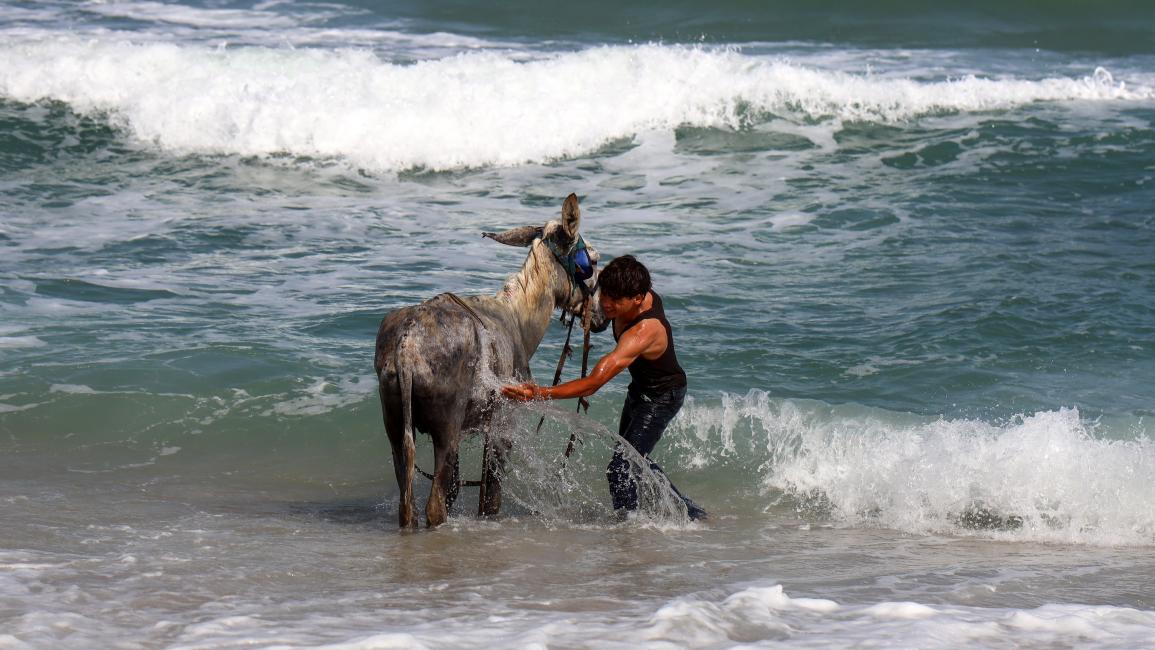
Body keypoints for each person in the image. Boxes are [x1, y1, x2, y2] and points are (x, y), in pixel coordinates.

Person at [501, 255, 708, 521]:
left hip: (662, 397)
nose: (605, 304)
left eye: (614, 300)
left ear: (637, 298)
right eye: (605, 295)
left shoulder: (644, 332)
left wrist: (538, 394)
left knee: (621, 467)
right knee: (636, 461)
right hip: (638, 391)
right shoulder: (628, 289)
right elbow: (592, 277)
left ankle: (630, 529)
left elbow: (593, 384)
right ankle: (689, 514)